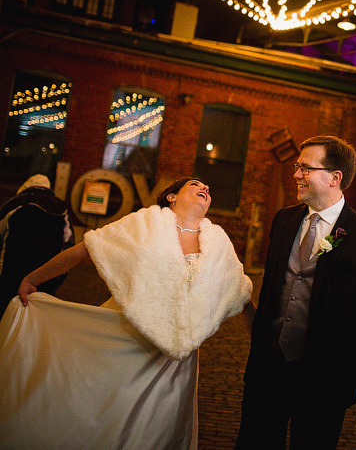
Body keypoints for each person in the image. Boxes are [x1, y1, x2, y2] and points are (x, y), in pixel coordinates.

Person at [0, 177, 253, 449]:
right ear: (172, 196)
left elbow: (240, 293)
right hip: (124, 339)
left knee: (157, 430)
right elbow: (85, 249)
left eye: (208, 187)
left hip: (174, 360)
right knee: (107, 417)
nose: (205, 188)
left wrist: (262, 340)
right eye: (194, 184)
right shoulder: (144, 224)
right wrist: (33, 279)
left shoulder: (218, 243)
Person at [236, 136, 356, 449]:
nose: (297, 175)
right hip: (268, 371)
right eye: (298, 167)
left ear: (335, 178)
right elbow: (273, 291)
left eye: (306, 168)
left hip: (325, 380)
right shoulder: (284, 220)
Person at [0, 174, 73, 313]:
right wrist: (58, 275)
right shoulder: (60, 208)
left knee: (6, 306)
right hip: (46, 274)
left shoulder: (14, 204)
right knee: (40, 310)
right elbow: (68, 242)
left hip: (11, 270)